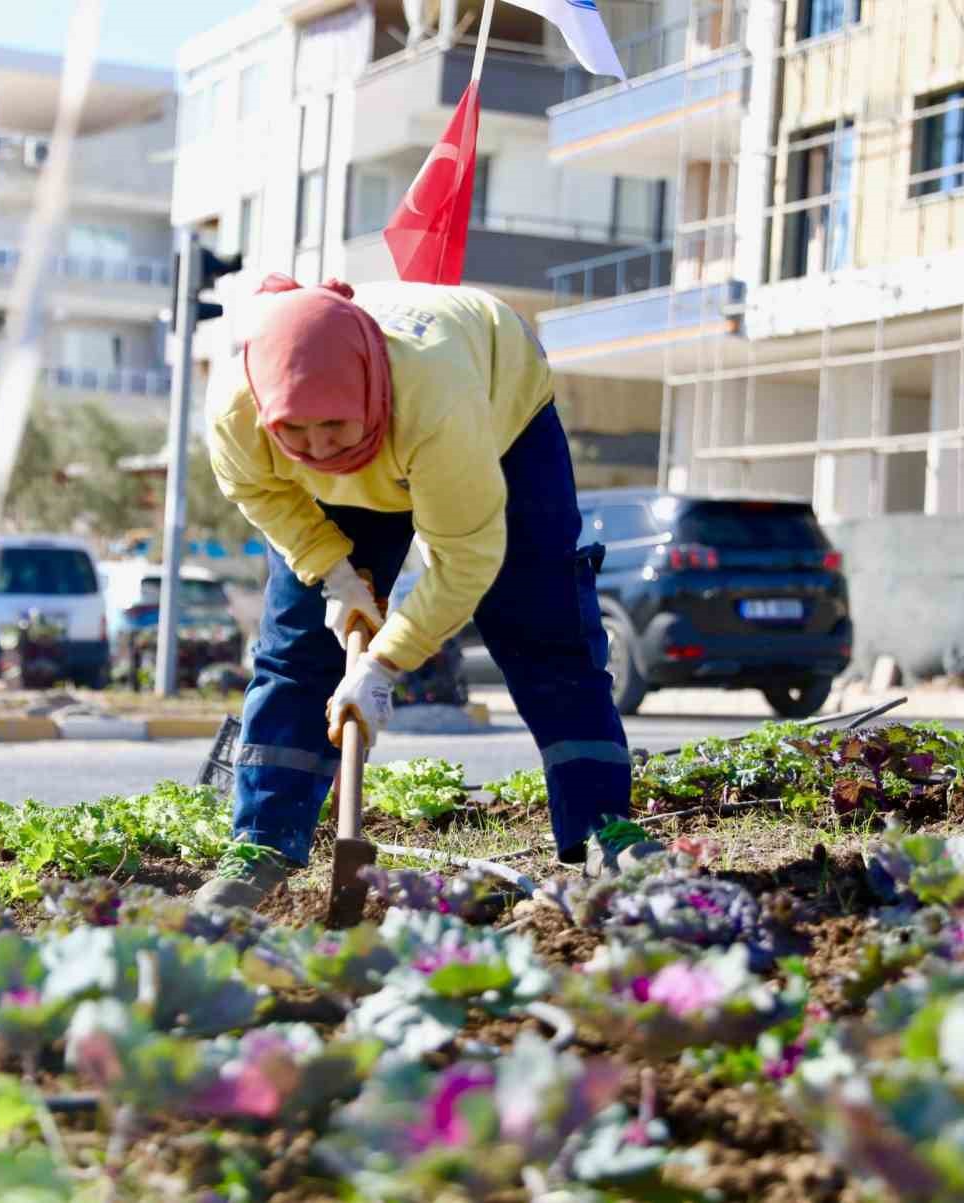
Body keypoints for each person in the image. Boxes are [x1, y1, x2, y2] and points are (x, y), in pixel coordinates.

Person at [193, 275, 645, 910]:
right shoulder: (238, 410)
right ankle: (262, 842)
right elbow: (261, 493)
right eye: (296, 431)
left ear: (367, 396)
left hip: (500, 407)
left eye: (333, 426)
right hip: (385, 437)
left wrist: (382, 663)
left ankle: (604, 824)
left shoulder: (439, 405)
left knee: (542, 625)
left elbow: (466, 560)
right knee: (296, 647)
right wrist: (334, 572)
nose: (320, 449)